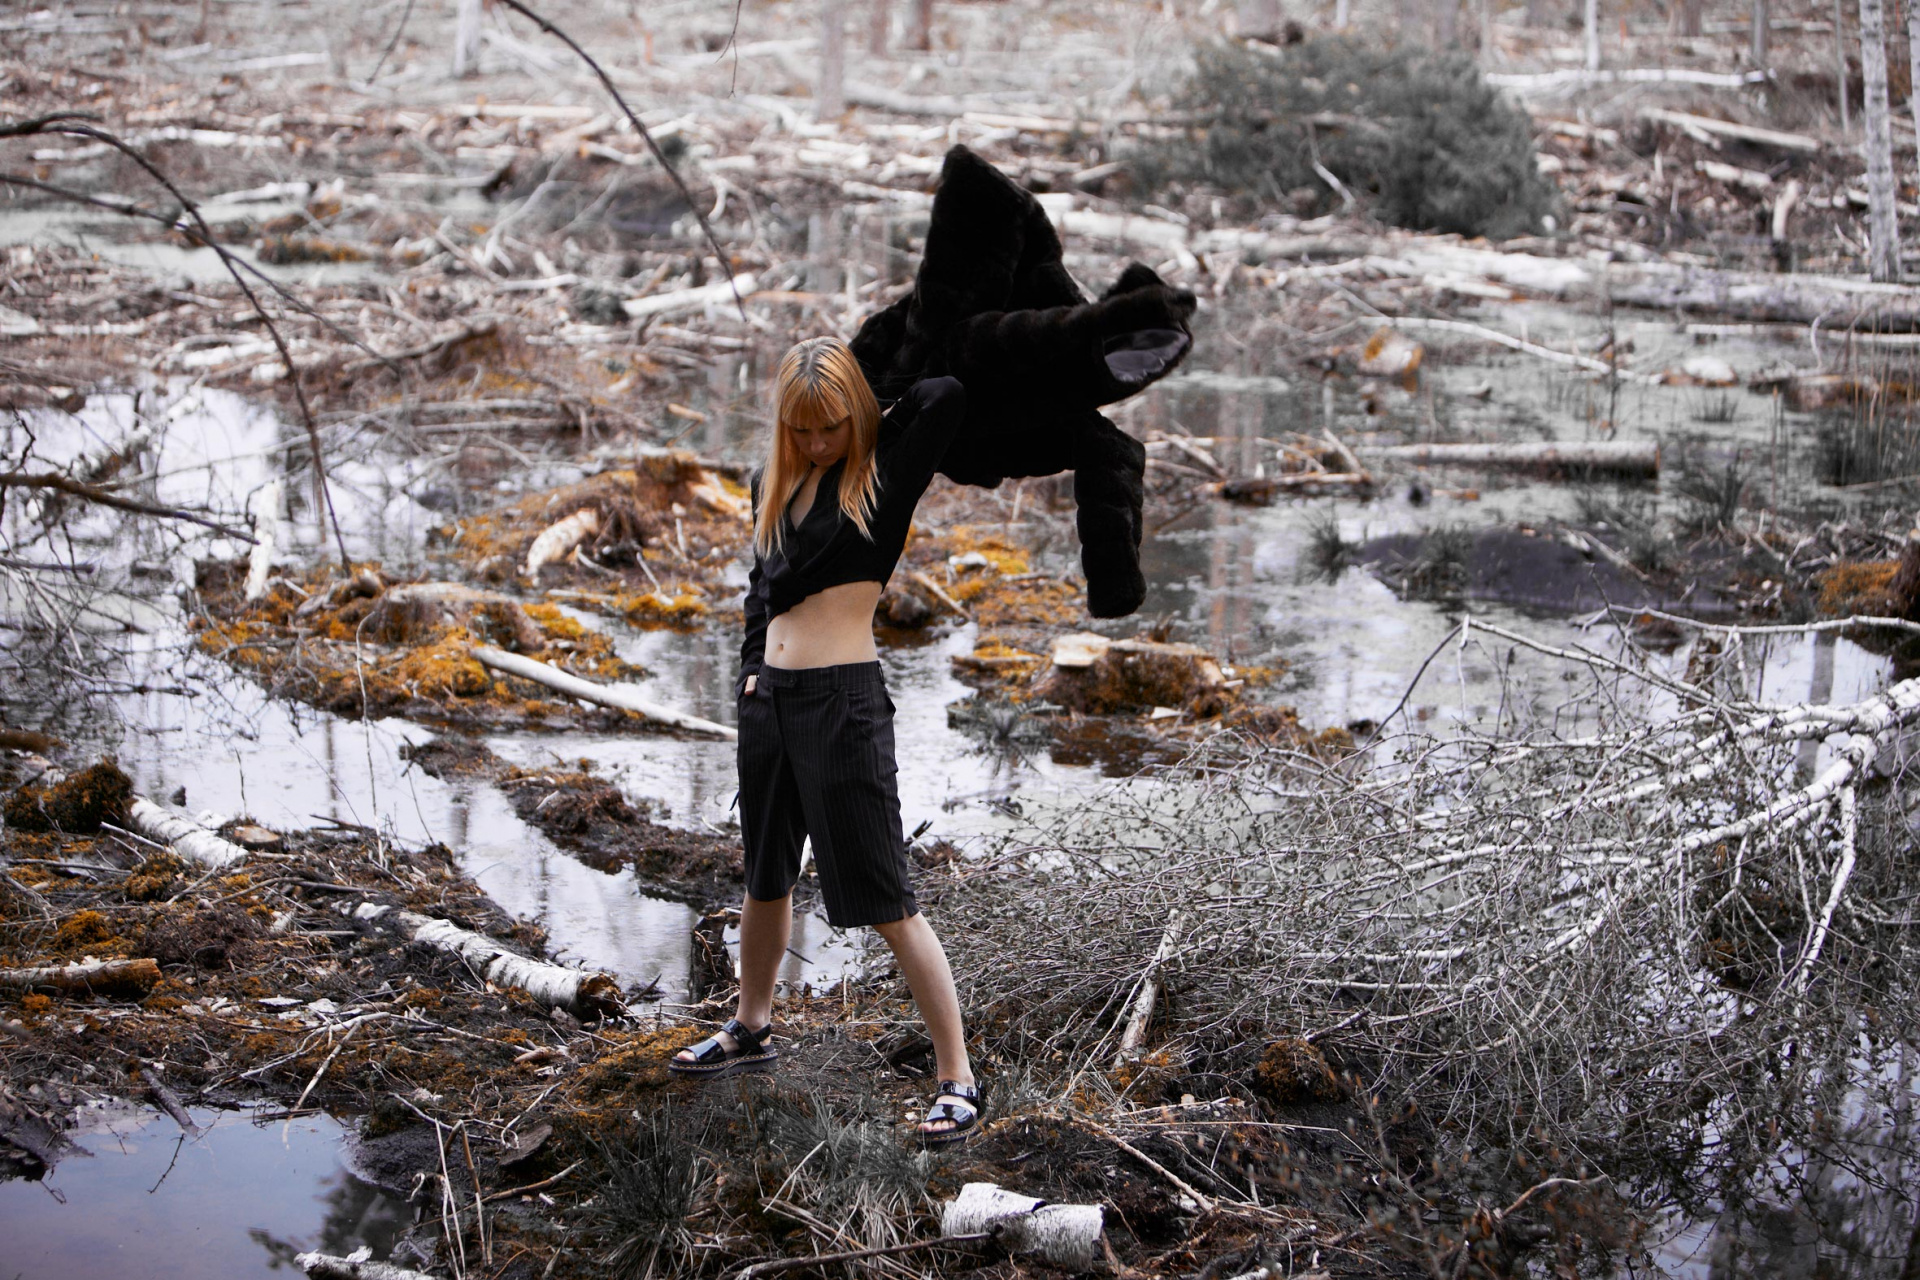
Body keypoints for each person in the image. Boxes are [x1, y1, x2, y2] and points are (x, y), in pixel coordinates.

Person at [670, 336, 980, 1146]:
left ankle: (957, 1077)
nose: (815, 442)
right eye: (801, 428)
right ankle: (751, 1026)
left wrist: (867, 401)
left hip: (843, 705)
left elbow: (945, 392)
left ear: (856, 416)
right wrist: (750, 674)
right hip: (769, 705)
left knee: (887, 900)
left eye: (831, 425)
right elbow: (760, 594)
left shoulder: (881, 474)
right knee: (765, 878)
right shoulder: (771, 482)